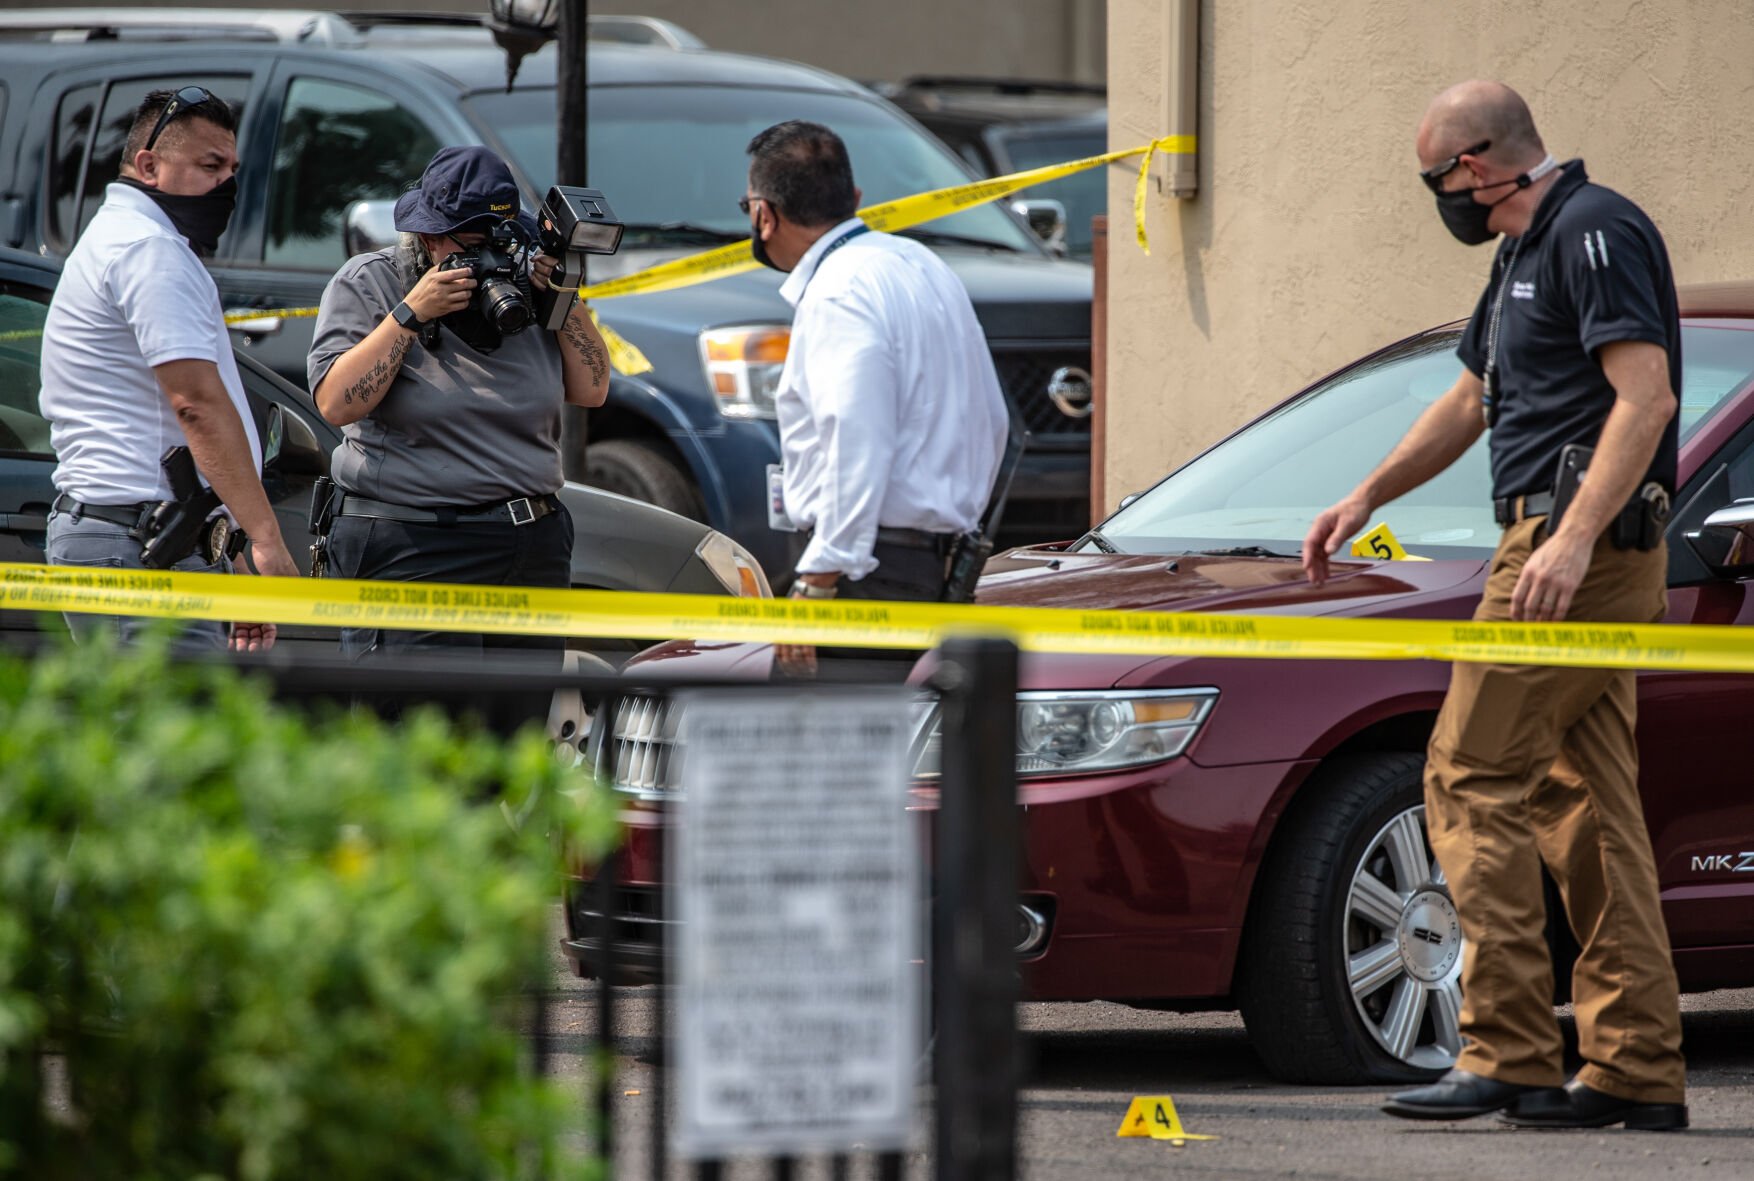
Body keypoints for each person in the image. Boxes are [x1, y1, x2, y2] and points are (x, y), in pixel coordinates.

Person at [1304, 81, 1687, 1130]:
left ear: (1475, 165)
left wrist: (1565, 539)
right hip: (1559, 539)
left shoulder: (1591, 229)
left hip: (1573, 542)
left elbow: (1643, 394)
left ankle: (1507, 1049)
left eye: (1437, 179)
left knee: (1467, 772)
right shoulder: (1518, 254)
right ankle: (1633, 1066)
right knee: (1586, 804)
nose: (1439, 197)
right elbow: (1469, 397)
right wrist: (1365, 494)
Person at [307, 145, 610, 666]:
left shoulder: (528, 285)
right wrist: (409, 315)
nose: (485, 258)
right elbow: (336, 403)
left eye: (493, 242)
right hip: (416, 545)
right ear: (426, 236)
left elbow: (593, 388)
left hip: (529, 544)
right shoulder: (373, 282)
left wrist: (563, 299)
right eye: (466, 246)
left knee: (512, 739)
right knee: (421, 737)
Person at [742, 121, 1009, 676]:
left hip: (862, 576)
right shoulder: (922, 266)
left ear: (764, 215)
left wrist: (820, 579)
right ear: (854, 199)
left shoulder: (839, 290)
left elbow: (855, 437)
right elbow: (994, 418)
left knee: (825, 753)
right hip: (929, 565)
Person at [39, 86, 298, 652]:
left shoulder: (131, 241)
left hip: (148, 540)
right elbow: (195, 406)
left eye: (231, 167)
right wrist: (265, 539)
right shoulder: (146, 250)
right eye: (210, 165)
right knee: (175, 737)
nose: (226, 183)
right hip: (135, 546)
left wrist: (221, 555)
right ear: (149, 165)